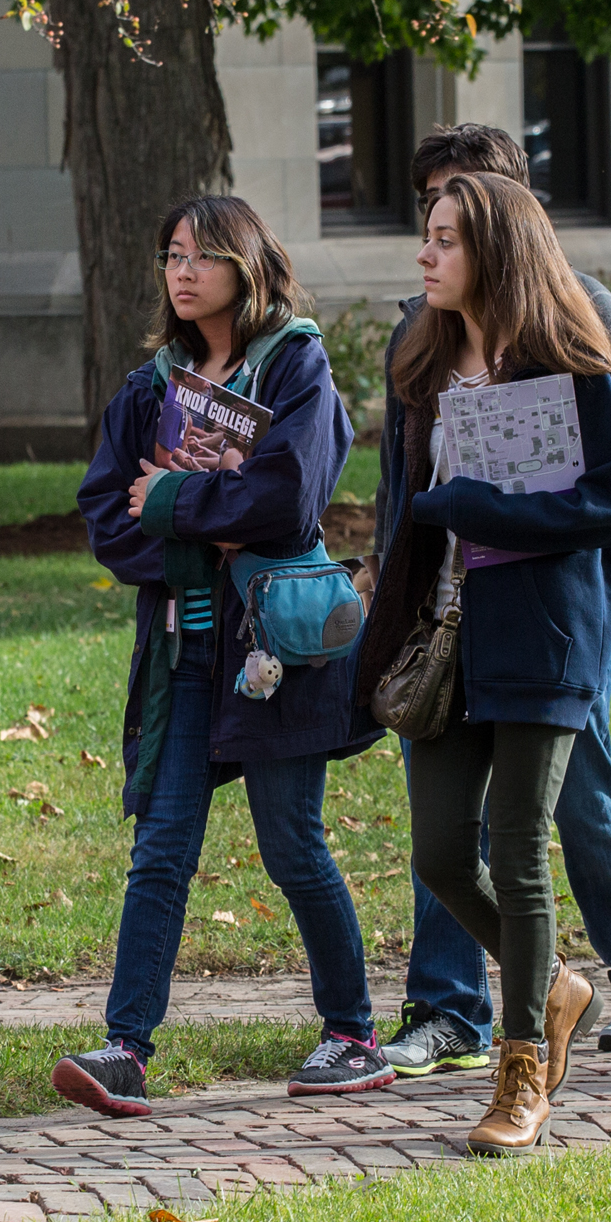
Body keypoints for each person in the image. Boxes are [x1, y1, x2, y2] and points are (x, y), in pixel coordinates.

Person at [56, 194, 390, 1118]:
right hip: (182, 655)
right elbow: (105, 521)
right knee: (161, 851)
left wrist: (169, 502)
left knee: (292, 847)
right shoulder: (149, 386)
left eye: (203, 255)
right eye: (171, 255)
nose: (183, 271)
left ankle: (352, 1034)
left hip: (273, 649)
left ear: (249, 265)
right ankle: (125, 1048)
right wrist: (200, 521)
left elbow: (286, 505)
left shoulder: (298, 370)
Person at [364, 126, 611, 1078]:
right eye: (426, 219)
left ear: (507, 227)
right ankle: (537, 985)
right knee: (439, 847)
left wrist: (574, 573)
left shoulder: (574, 333)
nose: (426, 249)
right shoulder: (418, 349)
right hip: (446, 625)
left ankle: (553, 1037)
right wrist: (394, 585)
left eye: (449, 228)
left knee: (542, 829)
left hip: (550, 623)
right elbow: (402, 489)